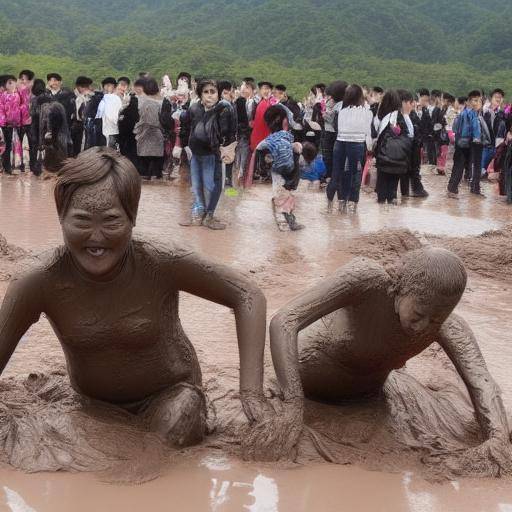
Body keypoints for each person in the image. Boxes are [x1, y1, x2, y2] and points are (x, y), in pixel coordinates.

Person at [0, 146, 270, 450]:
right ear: (61, 216)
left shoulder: (160, 261)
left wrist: (251, 394)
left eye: (112, 221)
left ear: (133, 217)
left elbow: (247, 294)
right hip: (90, 404)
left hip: (171, 393)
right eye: (81, 221)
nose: (96, 236)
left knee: (175, 431)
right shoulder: (39, 280)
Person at [268, 247, 511, 464]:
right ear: (400, 288)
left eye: (436, 319)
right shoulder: (365, 281)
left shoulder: (449, 327)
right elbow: (284, 321)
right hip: (295, 392)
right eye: (417, 315)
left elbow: (482, 382)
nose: (423, 327)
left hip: (366, 403)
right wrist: (292, 405)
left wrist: (498, 437)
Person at [179, 79, 227, 229]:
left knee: (212, 186)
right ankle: (197, 216)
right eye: (206, 92)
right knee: (196, 185)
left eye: (213, 92)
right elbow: (185, 127)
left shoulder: (223, 111)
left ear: (218, 94)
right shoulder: (194, 109)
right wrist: (184, 145)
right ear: (200, 94)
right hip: (195, 154)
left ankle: (209, 216)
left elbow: (230, 133)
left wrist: (227, 150)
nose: (209, 95)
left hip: (213, 155)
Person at [256, 105, 304, 231]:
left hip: (277, 173)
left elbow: (261, 154)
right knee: (285, 196)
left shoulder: (269, 141)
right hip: (287, 173)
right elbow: (296, 151)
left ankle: (285, 222)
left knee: (281, 195)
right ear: (284, 121)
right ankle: (286, 223)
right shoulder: (286, 138)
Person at [326, 84, 372, 213]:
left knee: (336, 175)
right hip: (356, 145)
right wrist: (369, 148)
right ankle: (351, 206)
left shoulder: (341, 110)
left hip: (339, 144)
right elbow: (368, 132)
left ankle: (331, 205)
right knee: (354, 174)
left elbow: (336, 128)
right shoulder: (366, 111)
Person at [374, 90, 412, 204]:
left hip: (383, 159)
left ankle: (381, 216)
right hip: (398, 160)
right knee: (392, 192)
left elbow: (376, 137)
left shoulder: (379, 117)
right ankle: (390, 214)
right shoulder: (400, 117)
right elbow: (409, 135)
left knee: (381, 192)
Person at [447, 90, 483, 199]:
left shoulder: (462, 113)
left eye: (478, 101)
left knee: (457, 166)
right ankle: (452, 190)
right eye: (474, 100)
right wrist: (477, 138)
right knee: (460, 167)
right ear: (468, 102)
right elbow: (475, 128)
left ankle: (452, 188)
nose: (476, 103)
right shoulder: (471, 113)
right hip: (466, 143)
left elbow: (454, 128)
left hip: (459, 142)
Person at [398, 89, 429, 198]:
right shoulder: (397, 116)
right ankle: (407, 193)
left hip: (414, 147)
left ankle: (410, 192)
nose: (412, 105)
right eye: (410, 103)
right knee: (405, 171)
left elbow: (419, 128)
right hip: (405, 149)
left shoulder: (411, 115)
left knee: (413, 169)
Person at [133, 77, 165, 180]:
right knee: (156, 156)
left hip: (145, 132)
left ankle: (146, 174)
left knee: (145, 155)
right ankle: (157, 174)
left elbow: (141, 118)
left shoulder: (143, 102)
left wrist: (137, 129)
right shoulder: (162, 101)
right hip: (158, 132)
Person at [0, 75, 31, 174]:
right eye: (9, 83)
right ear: (5, 85)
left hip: (18, 125)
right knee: (7, 146)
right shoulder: (3, 96)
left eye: (13, 82)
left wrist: (22, 121)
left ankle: (18, 165)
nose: (12, 84)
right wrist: (3, 123)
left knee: (17, 145)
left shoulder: (18, 94)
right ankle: (7, 167)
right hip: (7, 125)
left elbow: (24, 106)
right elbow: (1, 110)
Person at [321, 81, 347, 184]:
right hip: (334, 133)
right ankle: (332, 177)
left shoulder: (339, 105)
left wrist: (325, 114)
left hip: (331, 133)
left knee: (329, 156)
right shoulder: (341, 104)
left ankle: (330, 177)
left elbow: (331, 120)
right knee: (333, 156)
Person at [97, 77, 122, 149]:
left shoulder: (109, 98)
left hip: (109, 131)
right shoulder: (115, 98)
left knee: (108, 153)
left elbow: (111, 116)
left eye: (109, 86)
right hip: (112, 130)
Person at [71, 76, 94, 156]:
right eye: (86, 87)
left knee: (80, 146)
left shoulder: (87, 97)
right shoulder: (71, 96)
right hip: (72, 125)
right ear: (79, 87)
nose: (88, 89)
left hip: (82, 126)